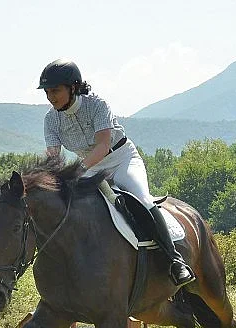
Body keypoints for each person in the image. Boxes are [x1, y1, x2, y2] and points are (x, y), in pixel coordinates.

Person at [37, 59, 195, 287]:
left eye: (56, 91)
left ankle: (175, 260)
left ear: (73, 87)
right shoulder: (50, 119)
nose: (51, 97)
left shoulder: (97, 105)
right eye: (48, 92)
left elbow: (102, 145)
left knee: (141, 198)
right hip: (92, 168)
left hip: (121, 159)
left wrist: (77, 171)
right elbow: (53, 156)